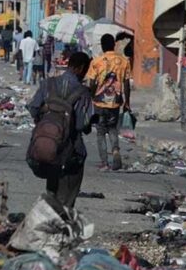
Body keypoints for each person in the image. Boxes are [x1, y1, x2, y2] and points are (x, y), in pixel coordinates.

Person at [27, 52, 93, 208]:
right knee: (67, 195)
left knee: (52, 188)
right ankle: (61, 220)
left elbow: (33, 109)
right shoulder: (83, 92)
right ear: (81, 68)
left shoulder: (48, 84)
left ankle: (49, 215)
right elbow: (81, 125)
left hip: (47, 147)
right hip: (70, 152)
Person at [86, 34, 131, 171]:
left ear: (102, 46)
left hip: (99, 103)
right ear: (114, 45)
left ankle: (105, 162)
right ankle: (116, 150)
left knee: (100, 132)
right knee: (112, 129)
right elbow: (127, 83)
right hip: (116, 102)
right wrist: (127, 102)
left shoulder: (96, 61)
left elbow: (92, 82)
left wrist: (91, 95)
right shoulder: (124, 61)